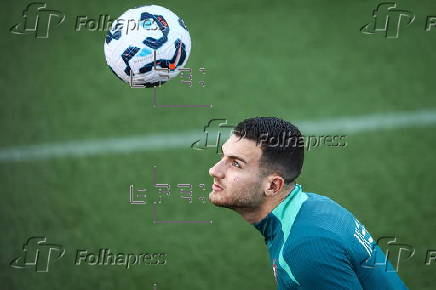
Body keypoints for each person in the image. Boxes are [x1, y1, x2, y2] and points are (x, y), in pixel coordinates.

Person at [208, 117, 407, 289]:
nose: (215, 170)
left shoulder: (306, 248)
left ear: (273, 186)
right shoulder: (311, 207)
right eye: (223, 156)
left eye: (236, 164)